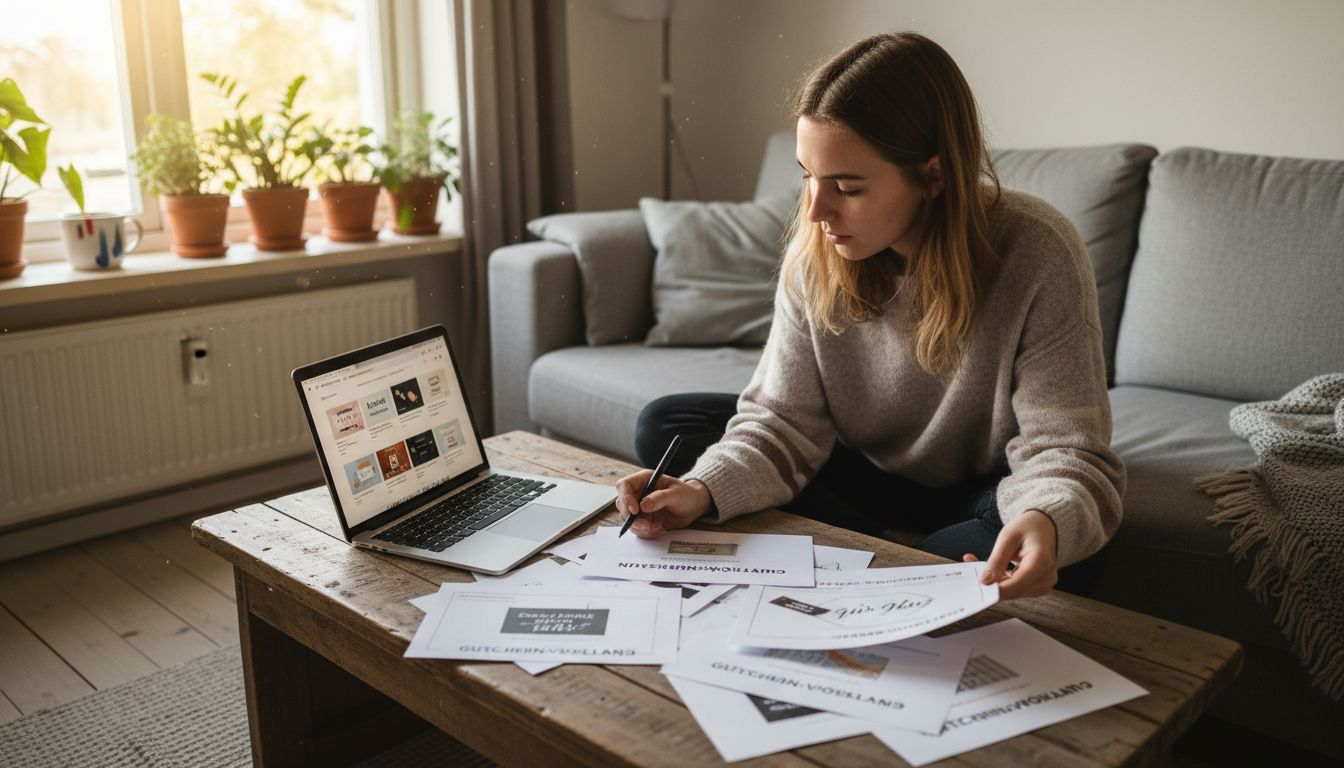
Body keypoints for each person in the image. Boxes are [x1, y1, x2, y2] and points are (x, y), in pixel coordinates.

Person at [614, 31, 1125, 600]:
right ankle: (888, 552)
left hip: (989, 488)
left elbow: (1068, 448)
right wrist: (703, 491)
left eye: (847, 187)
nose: (815, 210)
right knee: (667, 422)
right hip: (859, 473)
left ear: (932, 176)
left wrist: (1045, 519)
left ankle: (871, 554)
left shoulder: (1039, 252)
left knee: (1064, 541)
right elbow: (782, 423)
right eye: (807, 175)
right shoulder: (818, 253)